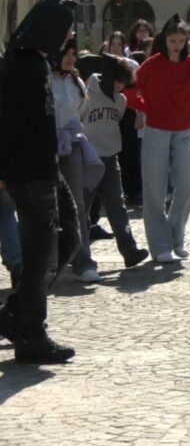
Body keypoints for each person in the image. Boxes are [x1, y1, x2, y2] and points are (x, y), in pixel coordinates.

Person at [0, 0, 80, 364]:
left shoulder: (35, 63)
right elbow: (8, 124)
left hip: (44, 167)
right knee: (38, 255)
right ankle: (31, 334)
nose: (68, 38)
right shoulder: (24, 68)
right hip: (29, 173)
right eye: (64, 30)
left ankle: (17, 313)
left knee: (69, 234)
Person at [128, 16, 190, 264]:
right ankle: (161, 245)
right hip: (156, 130)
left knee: (187, 186)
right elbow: (131, 90)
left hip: (184, 130)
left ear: (187, 41)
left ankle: (176, 237)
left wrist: (185, 110)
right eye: (173, 40)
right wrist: (146, 108)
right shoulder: (152, 64)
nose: (177, 45)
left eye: (181, 40)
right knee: (155, 188)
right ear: (165, 40)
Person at [79, 54, 150, 270]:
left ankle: (129, 251)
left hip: (111, 159)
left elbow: (117, 120)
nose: (122, 87)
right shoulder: (86, 94)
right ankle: (80, 258)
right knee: (81, 210)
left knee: (117, 206)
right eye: (120, 82)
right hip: (87, 159)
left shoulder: (121, 100)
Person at [50, 39, 102, 283]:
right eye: (65, 53)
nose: (70, 58)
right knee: (48, 208)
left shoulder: (76, 82)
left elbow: (81, 112)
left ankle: (83, 260)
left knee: (77, 205)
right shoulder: (44, 79)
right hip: (46, 147)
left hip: (71, 145)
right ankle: (51, 262)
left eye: (73, 53)